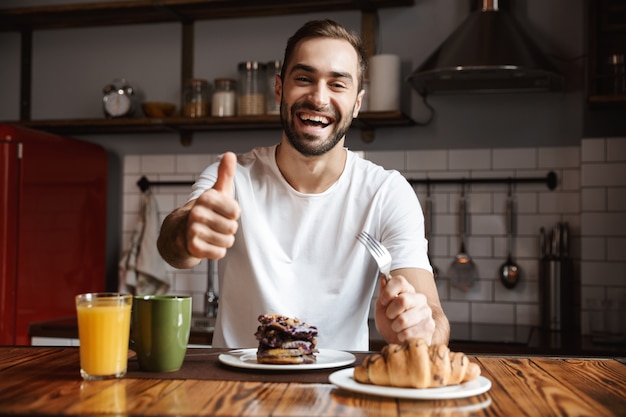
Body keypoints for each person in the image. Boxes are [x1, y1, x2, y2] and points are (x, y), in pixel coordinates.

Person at [157, 19, 449, 350]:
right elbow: (172, 248)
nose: (318, 97)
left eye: (338, 84)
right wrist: (188, 233)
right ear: (279, 89)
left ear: (357, 103)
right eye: (304, 79)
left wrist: (416, 326)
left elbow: (434, 320)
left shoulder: (386, 193)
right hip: (235, 391)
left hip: (340, 392)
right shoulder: (233, 178)